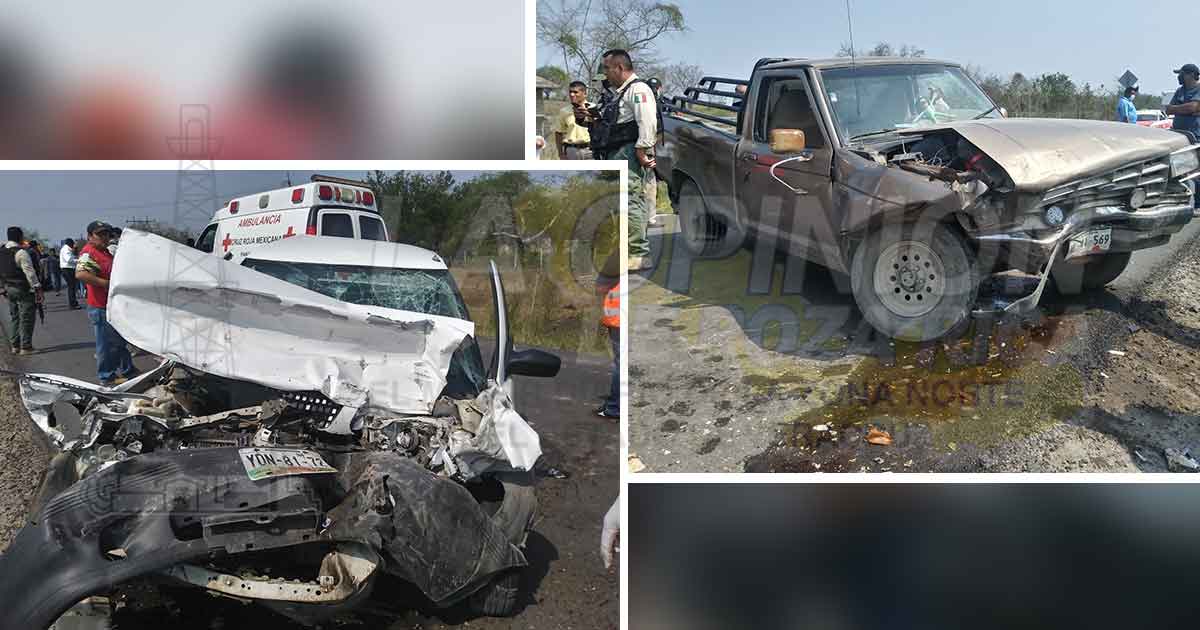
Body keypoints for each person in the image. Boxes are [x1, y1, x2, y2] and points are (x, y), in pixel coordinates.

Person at [576, 49, 658, 271]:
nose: (605, 73)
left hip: (628, 151)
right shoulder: (617, 93)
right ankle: (625, 249)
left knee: (630, 200)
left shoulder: (638, 90)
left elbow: (648, 123)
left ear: (619, 68)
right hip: (614, 152)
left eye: (607, 68)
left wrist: (642, 151)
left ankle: (639, 254)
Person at [75, 220, 137, 386]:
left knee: (118, 341)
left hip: (111, 304)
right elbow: (80, 274)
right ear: (90, 236)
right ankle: (107, 376)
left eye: (106, 234)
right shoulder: (89, 252)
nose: (104, 237)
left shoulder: (105, 252)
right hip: (100, 306)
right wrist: (105, 283)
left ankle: (128, 370)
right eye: (100, 234)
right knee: (107, 344)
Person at [1, 227, 42, 354]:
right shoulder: (21, 253)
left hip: (8, 288)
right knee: (27, 317)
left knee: (15, 317)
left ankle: (15, 345)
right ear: (20, 237)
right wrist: (37, 288)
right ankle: (26, 346)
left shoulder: (1, 252)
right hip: (22, 288)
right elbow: (30, 273)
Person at [596, 253, 620, 419]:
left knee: (621, 365)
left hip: (618, 319)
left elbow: (601, 287)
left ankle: (614, 407)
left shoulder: (617, 257)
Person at [555, 81, 593, 160]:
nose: (572, 95)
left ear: (585, 94)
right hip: (571, 151)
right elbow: (558, 133)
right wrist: (560, 154)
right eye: (570, 92)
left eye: (575, 92)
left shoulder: (593, 108)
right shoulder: (564, 111)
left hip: (590, 150)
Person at [59, 238, 81, 309]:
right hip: (68, 269)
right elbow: (68, 259)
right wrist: (78, 260)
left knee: (72, 287)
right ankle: (73, 304)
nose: (73, 245)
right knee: (71, 287)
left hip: (68, 269)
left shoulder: (67, 249)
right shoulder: (66, 249)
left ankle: (73, 302)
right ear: (70, 243)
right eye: (73, 243)